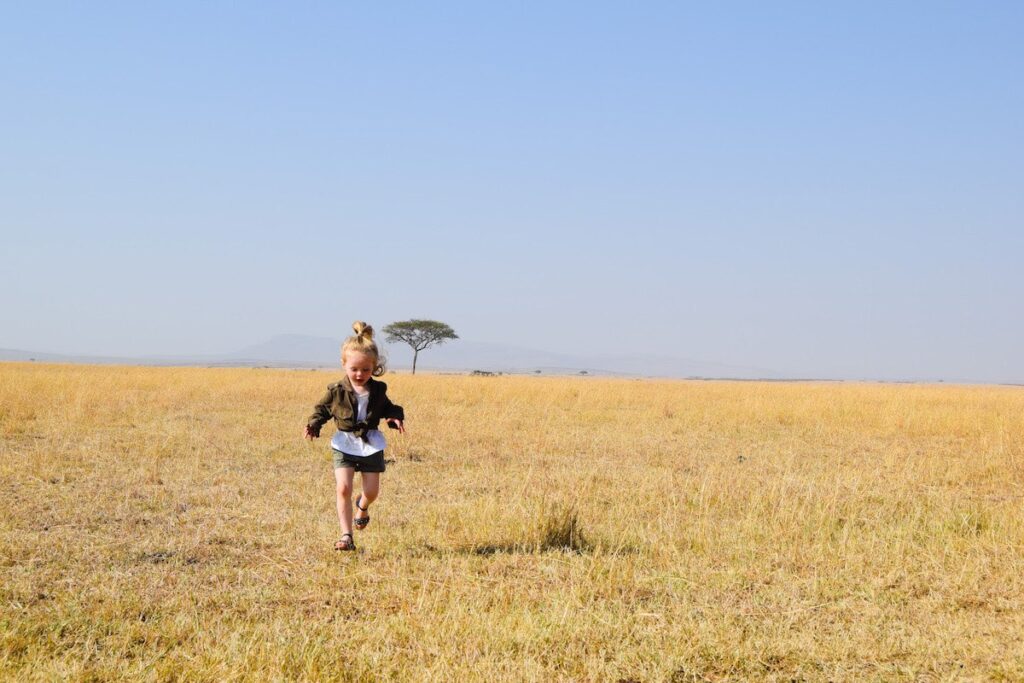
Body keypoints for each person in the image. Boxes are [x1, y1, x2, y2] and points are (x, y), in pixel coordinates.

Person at [305, 322, 405, 551]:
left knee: (371, 492)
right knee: (343, 488)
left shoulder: (379, 390)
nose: (360, 374)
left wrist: (394, 417)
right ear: (344, 365)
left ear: (374, 367)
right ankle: (346, 536)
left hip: (371, 444)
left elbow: (389, 407)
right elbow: (322, 410)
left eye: (366, 370)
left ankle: (363, 505)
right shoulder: (335, 390)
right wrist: (313, 424)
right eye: (354, 369)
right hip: (344, 443)